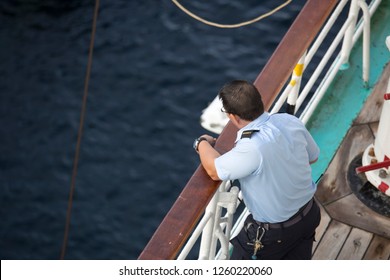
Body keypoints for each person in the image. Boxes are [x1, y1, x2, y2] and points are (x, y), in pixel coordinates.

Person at [193, 80, 321, 260]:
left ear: (233, 117)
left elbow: (214, 170)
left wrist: (201, 143)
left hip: (274, 235)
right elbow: (313, 157)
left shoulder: (251, 147)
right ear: (260, 102)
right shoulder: (290, 121)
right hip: (309, 215)